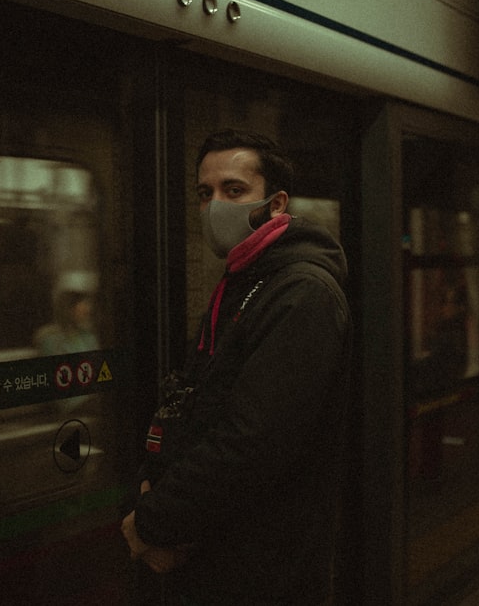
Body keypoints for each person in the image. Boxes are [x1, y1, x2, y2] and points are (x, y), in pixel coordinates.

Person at [121, 130, 353, 604]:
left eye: (234, 190)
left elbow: (253, 441)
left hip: (266, 570)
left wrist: (154, 521)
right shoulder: (242, 282)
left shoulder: (301, 293)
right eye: (205, 194)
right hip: (221, 553)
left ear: (276, 203)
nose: (214, 207)